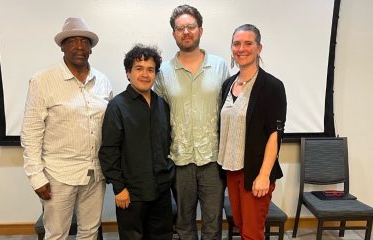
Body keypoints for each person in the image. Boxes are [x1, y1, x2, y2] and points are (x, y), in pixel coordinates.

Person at [21, 17, 113, 240]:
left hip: (95, 173)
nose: (79, 47)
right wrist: (36, 177)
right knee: (56, 234)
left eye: (85, 41)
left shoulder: (102, 81)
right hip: (58, 175)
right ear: (62, 46)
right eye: (72, 41)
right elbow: (31, 131)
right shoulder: (43, 80)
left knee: (90, 232)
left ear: (91, 48)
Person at [154, 4, 230, 240]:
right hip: (179, 159)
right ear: (174, 34)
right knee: (184, 223)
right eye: (180, 28)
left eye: (191, 27)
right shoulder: (163, 72)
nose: (186, 32)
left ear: (200, 30)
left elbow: (228, 111)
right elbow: (158, 117)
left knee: (213, 223)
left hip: (213, 159)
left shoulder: (219, 66)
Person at [218, 24, 287, 240]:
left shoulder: (272, 86)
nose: (242, 48)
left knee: (252, 233)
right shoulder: (228, 84)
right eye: (236, 44)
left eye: (248, 43)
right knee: (240, 225)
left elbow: (275, 134)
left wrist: (264, 175)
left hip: (256, 171)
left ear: (259, 48)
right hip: (231, 169)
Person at [99, 44, 175, 240]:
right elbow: (109, 151)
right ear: (128, 73)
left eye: (150, 69)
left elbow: (166, 144)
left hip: (161, 190)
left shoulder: (162, 104)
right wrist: (119, 188)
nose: (145, 74)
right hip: (131, 193)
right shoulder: (117, 106)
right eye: (138, 68)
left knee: (163, 236)